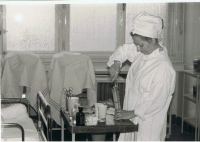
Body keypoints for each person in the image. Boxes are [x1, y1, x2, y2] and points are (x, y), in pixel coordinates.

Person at [107, 12, 176, 141]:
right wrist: (116, 63)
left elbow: (157, 100)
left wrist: (132, 112)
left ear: (152, 39)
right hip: (132, 118)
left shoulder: (163, 67)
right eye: (136, 44)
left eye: (140, 45)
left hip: (148, 124)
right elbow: (125, 50)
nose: (137, 49)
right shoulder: (145, 53)